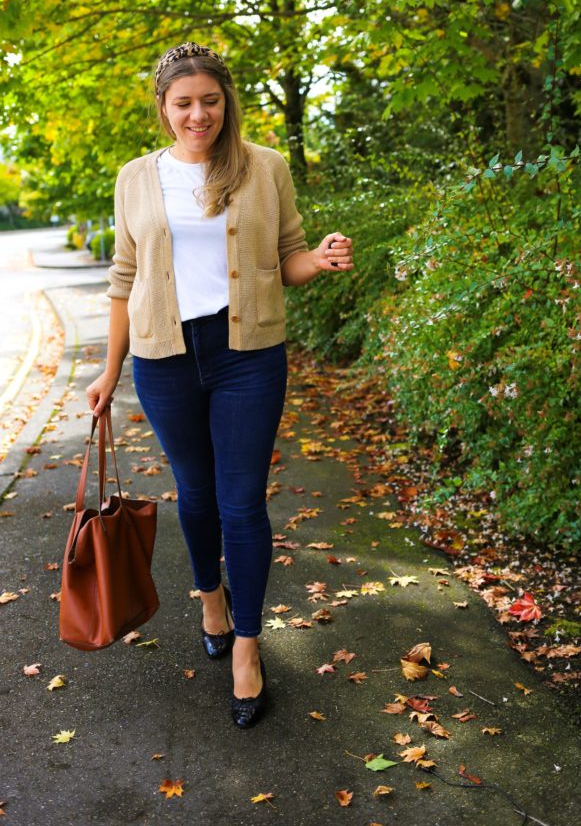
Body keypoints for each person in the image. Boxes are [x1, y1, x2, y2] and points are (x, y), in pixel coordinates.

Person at [86, 41, 354, 728]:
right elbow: (123, 280)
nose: (198, 114)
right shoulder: (134, 179)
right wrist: (109, 368)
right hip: (164, 358)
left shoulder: (265, 167)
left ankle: (246, 644)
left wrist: (316, 262)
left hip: (248, 356)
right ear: (164, 107)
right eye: (184, 103)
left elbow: (288, 256)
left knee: (241, 505)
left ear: (226, 101)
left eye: (210, 100)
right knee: (196, 496)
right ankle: (211, 596)